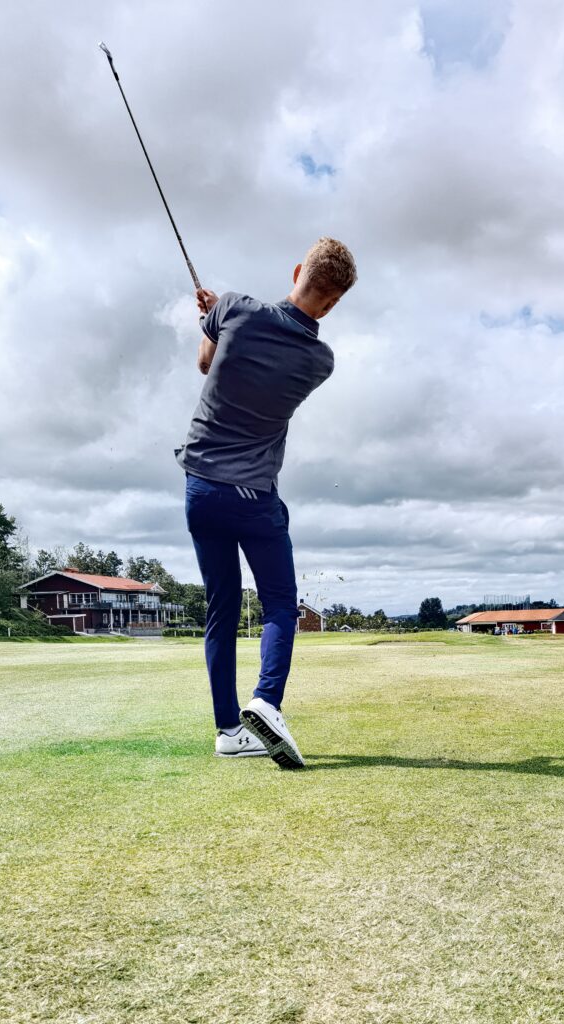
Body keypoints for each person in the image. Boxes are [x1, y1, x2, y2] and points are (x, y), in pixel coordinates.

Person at [175, 237, 357, 768]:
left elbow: (207, 364)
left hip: (200, 488)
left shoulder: (233, 307)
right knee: (280, 603)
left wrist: (212, 322)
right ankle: (267, 702)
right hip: (254, 496)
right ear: (335, 300)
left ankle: (229, 731)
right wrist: (222, 323)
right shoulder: (320, 361)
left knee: (221, 609)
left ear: (299, 270)